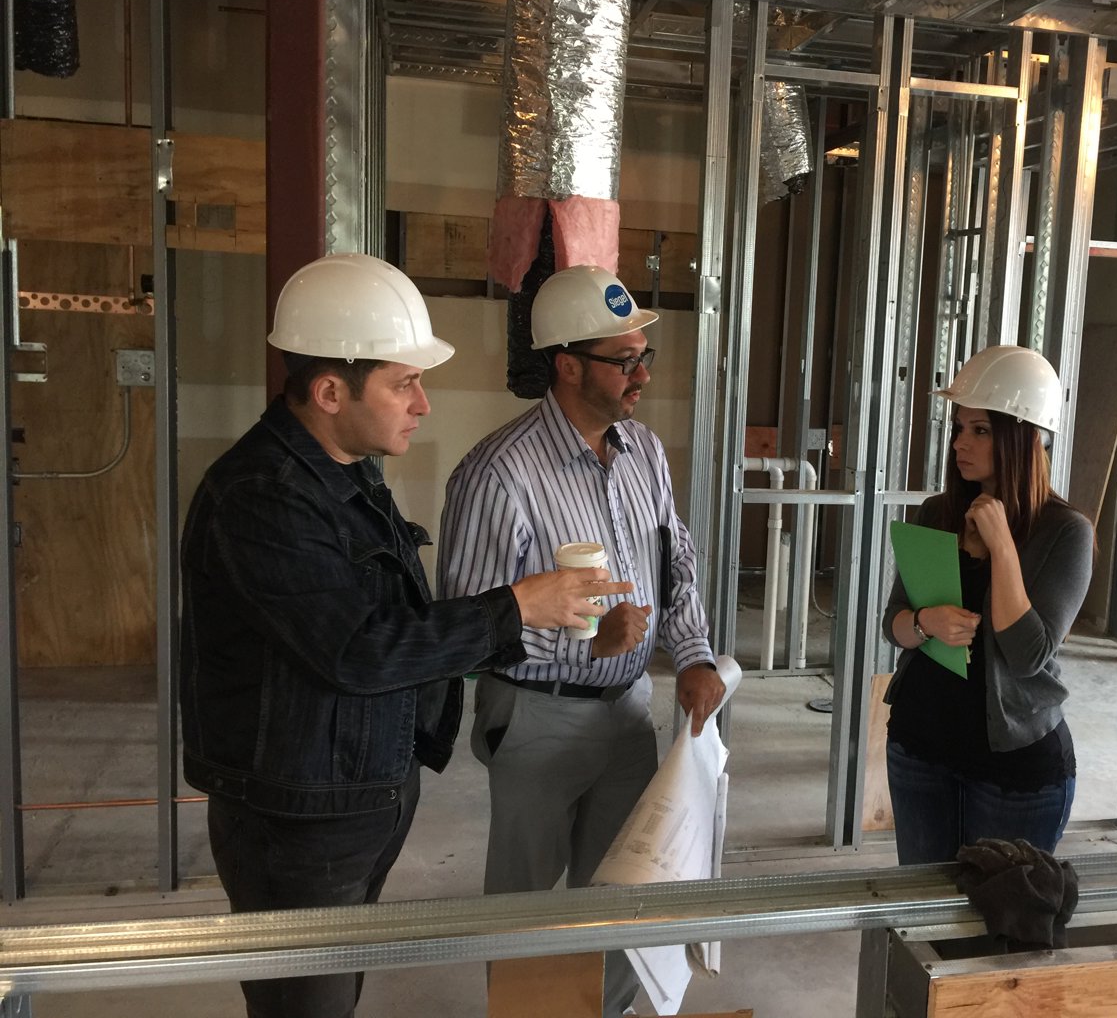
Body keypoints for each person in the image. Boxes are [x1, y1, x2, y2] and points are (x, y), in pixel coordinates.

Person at [180, 253, 630, 1018]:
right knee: (306, 1003)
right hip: (299, 816)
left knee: (336, 989)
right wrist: (515, 607)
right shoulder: (264, 497)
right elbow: (357, 650)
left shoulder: (344, 471)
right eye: (404, 382)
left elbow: (399, 623)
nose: (423, 403)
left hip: (355, 789)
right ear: (331, 392)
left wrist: (528, 618)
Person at [438, 264, 726, 1018]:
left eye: (643, 356)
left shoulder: (644, 454)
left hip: (627, 713)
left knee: (626, 899)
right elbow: (465, 629)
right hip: (537, 718)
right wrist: (586, 648)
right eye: (624, 361)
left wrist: (693, 654)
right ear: (567, 366)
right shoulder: (500, 475)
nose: (642, 376)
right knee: (526, 913)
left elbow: (675, 563)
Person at [882, 344, 1093, 863]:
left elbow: (1027, 654)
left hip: (1015, 772)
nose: (960, 442)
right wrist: (926, 622)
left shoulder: (1066, 533)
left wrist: (1001, 545)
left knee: (1000, 906)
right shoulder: (937, 513)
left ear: (1024, 437)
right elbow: (894, 624)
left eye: (980, 430)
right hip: (919, 749)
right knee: (924, 905)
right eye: (959, 427)